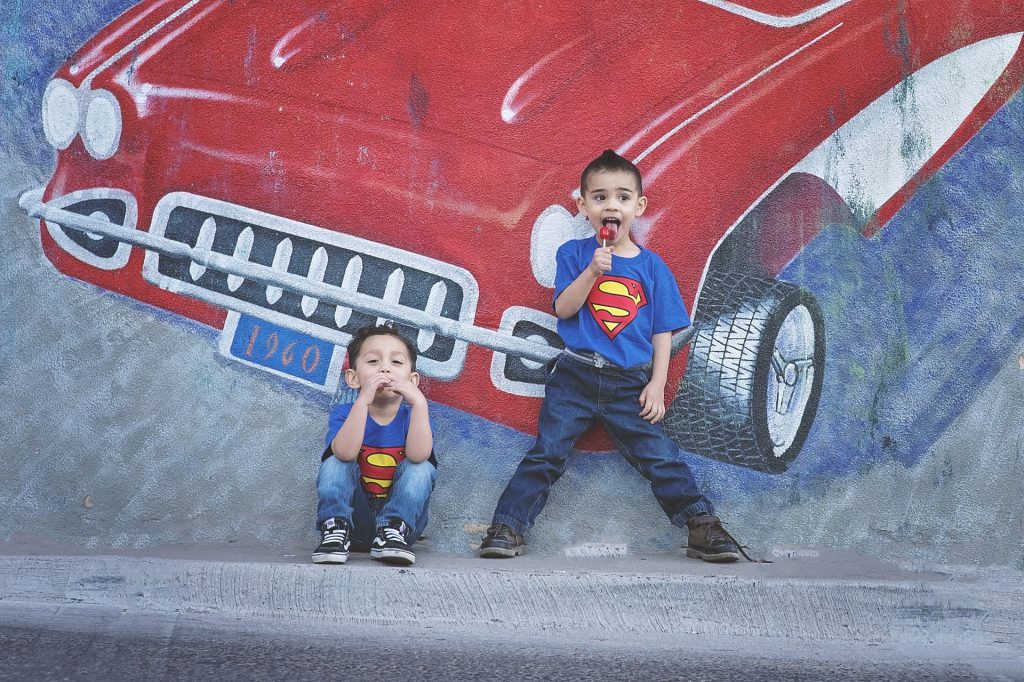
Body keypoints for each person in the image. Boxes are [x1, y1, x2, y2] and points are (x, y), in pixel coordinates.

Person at [480, 149, 743, 562]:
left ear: (638, 207)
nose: (610, 205)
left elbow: (662, 330)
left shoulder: (653, 267)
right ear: (583, 207)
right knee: (548, 452)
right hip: (575, 375)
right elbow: (564, 309)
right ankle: (508, 526)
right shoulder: (574, 255)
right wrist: (591, 272)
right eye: (599, 197)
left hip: (628, 382)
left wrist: (657, 383)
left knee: (658, 456)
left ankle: (701, 525)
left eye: (622, 197)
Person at [313, 323, 437, 566]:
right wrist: (363, 401)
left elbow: (419, 455)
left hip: (400, 532)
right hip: (352, 523)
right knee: (335, 459)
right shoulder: (344, 413)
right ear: (353, 378)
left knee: (422, 466)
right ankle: (334, 528)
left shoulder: (413, 417)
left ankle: (392, 528)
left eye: (396, 363)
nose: (385, 368)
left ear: (412, 380)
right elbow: (345, 453)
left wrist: (420, 404)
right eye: (373, 362)